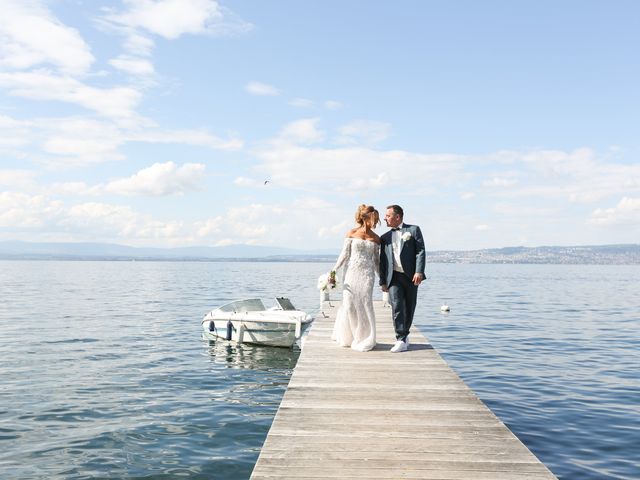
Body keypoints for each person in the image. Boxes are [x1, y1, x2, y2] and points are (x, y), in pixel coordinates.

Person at [331, 205, 381, 352]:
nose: (376, 222)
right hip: (351, 273)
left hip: (367, 274)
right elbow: (344, 254)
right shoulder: (351, 233)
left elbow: (376, 261)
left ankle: (365, 337)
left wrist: (382, 279)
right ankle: (350, 336)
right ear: (365, 218)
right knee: (350, 305)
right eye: (374, 219)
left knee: (365, 303)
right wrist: (334, 271)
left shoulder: (376, 238)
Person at [379, 205, 426, 353]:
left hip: (411, 276)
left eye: (387, 215)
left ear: (397, 217)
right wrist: (383, 281)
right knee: (397, 306)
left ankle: (405, 335)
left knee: (410, 306)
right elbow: (382, 261)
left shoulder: (413, 230)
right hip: (393, 277)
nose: (385, 218)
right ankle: (400, 338)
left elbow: (420, 251)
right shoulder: (384, 237)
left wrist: (419, 271)